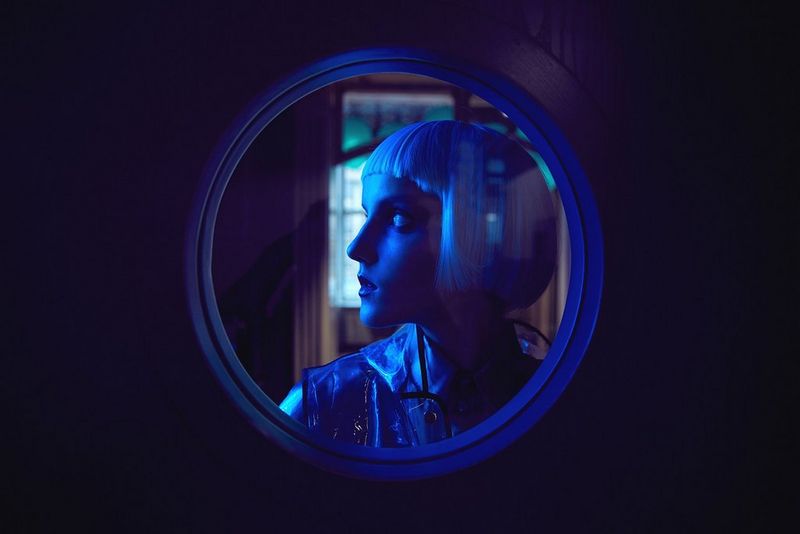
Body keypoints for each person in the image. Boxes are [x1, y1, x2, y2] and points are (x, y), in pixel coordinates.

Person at [280, 120, 557, 447]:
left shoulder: (563, 399)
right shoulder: (322, 404)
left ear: (478, 234)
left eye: (399, 218)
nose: (356, 247)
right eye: (367, 215)